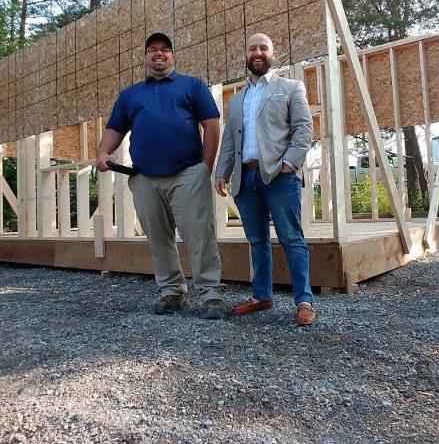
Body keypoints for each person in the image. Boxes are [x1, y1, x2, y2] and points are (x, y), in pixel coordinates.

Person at [97, 32, 227, 320]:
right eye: (153, 50)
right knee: (158, 237)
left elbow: (211, 125)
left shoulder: (192, 86)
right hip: (144, 178)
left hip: (188, 173)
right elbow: (115, 129)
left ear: (173, 55)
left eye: (165, 50)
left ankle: (211, 294)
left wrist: (206, 164)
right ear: (145, 57)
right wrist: (103, 153)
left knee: (199, 235)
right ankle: (172, 293)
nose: (159, 54)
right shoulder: (131, 94)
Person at [214, 33, 316, 325]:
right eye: (252, 48)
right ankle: (262, 296)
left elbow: (303, 130)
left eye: (263, 48)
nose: (257, 53)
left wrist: (289, 164)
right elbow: (229, 142)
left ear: (273, 54)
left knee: (291, 238)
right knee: (257, 240)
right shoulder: (236, 101)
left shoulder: (290, 88)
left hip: (280, 177)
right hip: (246, 180)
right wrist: (223, 171)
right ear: (245, 55)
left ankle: (304, 301)